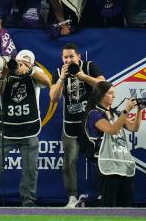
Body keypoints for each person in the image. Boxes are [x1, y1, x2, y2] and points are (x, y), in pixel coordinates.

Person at [0, 49, 51, 207]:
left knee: (30, 169)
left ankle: (28, 200)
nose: (21, 65)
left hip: (29, 129)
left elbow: (47, 82)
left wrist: (29, 70)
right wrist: (3, 74)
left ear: (32, 63)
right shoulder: (5, 72)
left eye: (26, 62)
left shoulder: (35, 72)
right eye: (20, 61)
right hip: (6, 129)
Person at [49, 42, 104, 208]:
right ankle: (72, 197)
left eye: (71, 56)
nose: (68, 60)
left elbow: (104, 85)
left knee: (98, 159)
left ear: (78, 57)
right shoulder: (59, 72)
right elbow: (53, 97)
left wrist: (83, 77)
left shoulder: (89, 66)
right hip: (70, 124)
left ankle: (102, 195)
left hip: (91, 123)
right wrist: (61, 79)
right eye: (65, 57)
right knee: (69, 161)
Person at [84, 80, 142, 206]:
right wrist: (126, 111)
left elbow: (134, 128)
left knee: (126, 206)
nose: (114, 96)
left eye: (114, 93)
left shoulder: (116, 114)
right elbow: (112, 130)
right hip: (107, 166)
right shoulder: (94, 114)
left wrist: (139, 111)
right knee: (110, 207)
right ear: (101, 95)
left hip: (123, 164)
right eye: (110, 93)